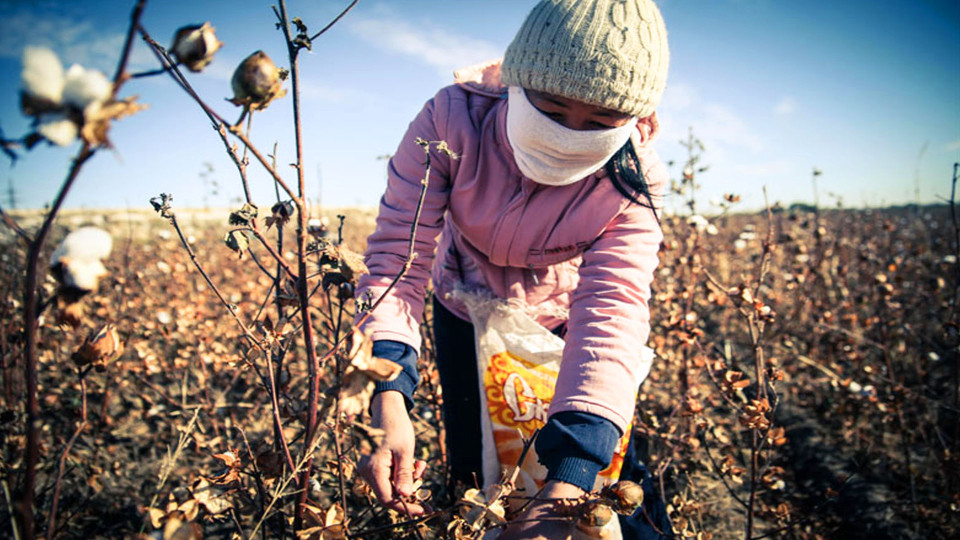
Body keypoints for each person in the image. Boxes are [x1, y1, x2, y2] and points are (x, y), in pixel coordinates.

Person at [356, 0, 672, 537]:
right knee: (475, 466)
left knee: (608, 479)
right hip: (462, 306)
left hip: (565, 320)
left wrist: (571, 477)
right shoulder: (451, 121)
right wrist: (387, 394)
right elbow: (397, 261)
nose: (568, 134)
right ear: (515, 84)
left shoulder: (631, 179)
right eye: (549, 109)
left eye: (599, 122)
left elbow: (613, 310)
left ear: (635, 120)